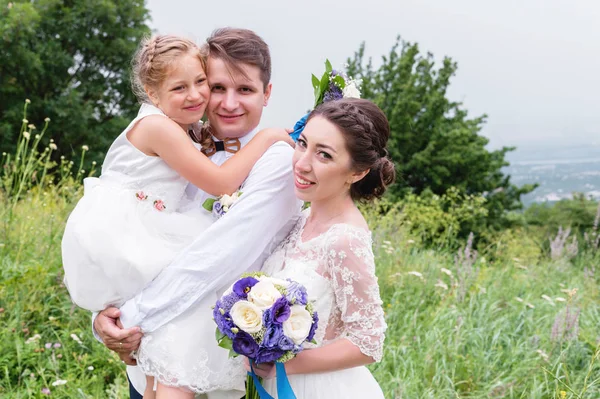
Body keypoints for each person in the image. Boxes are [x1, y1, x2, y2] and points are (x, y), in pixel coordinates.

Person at [62, 33, 295, 398]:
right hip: (149, 358)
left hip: (198, 362)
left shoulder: (276, 162)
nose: (227, 102)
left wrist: (130, 319)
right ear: (155, 93)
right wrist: (104, 319)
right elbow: (140, 255)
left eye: (245, 90)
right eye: (217, 86)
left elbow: (214, 259)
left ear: (267, 93)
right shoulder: (184, 137)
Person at [252, 98, 395, 398]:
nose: (302, 163)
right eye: (302, 143)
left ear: (357, 172)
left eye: (324, 155)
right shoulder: (299, 219)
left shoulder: (345, 240)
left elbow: (368, 342)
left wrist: (286, 364)